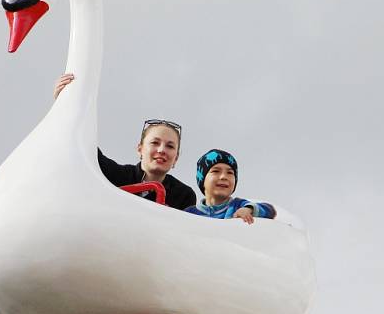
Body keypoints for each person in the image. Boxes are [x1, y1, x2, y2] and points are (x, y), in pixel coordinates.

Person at [54, 73, 196, 210]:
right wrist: (63, 104)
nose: (161, 150)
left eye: (170, 146)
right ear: (140, 148)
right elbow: (83, 147)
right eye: (155, 143)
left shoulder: (184, 196)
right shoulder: (115, 175)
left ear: (176, 157)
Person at [185, 149, 276, 224]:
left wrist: (249, 209)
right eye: (216, 171)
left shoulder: (238, 205)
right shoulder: (189, 213)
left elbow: (270, 210)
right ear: (202, 180)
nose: (224, 177)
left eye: (230, 173)